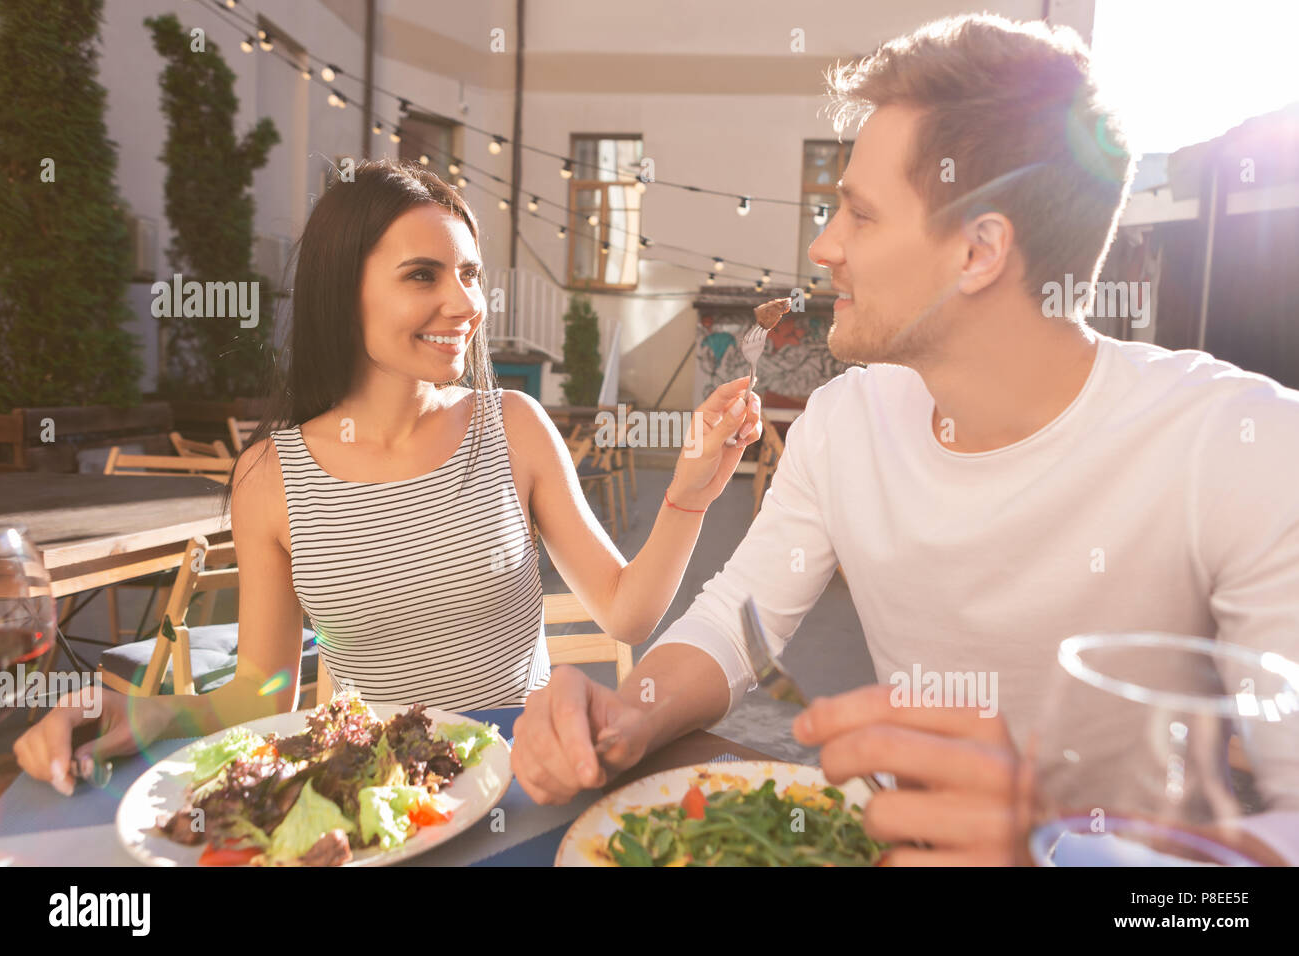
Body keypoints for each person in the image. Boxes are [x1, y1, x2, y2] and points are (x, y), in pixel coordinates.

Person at [509, 14, 1299, 864]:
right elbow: (739, 623)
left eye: (858, 214)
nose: (824, 246)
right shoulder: (846, 421)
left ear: (978, 252)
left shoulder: (1241, 445)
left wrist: (1060, 853)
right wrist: (633, 709)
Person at [15, 158, 764, 794]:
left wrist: (688, 494)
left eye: (469, 274)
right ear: (344, 291)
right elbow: (259, 696)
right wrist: (138, 715)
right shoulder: (270, 478)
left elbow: (626, 614)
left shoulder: (513, 426)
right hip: (382, 808)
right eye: (422, 275)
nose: (463, 302)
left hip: (527, 779)